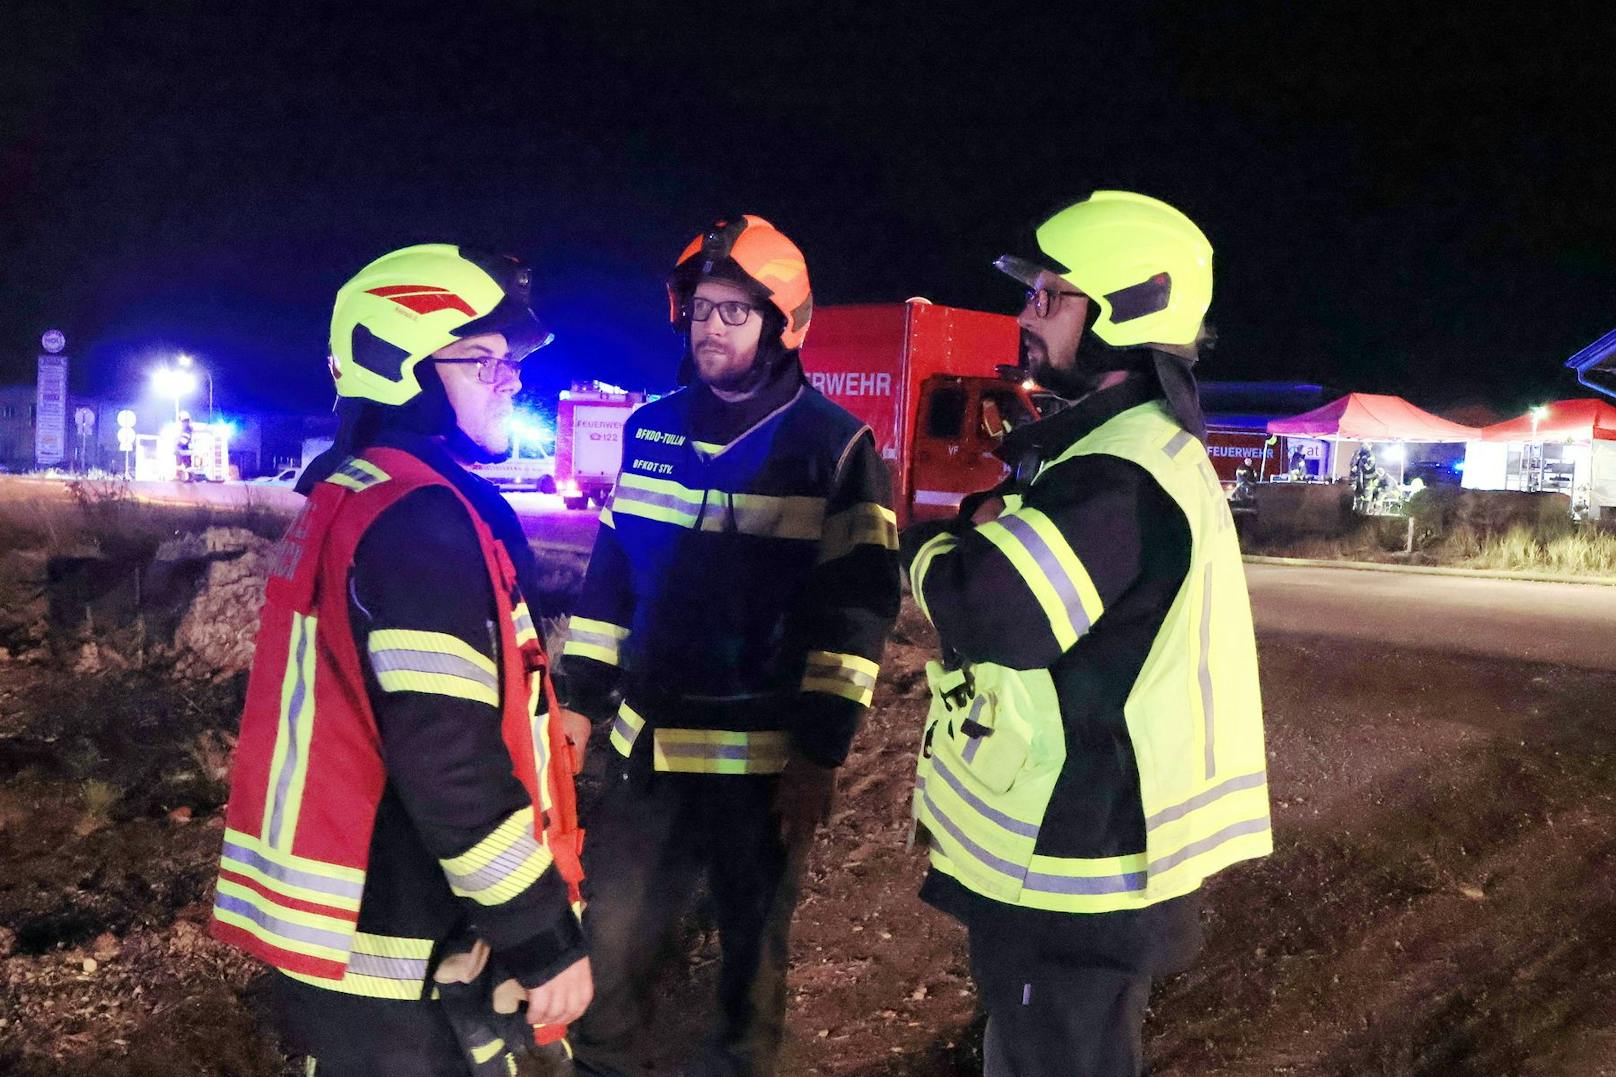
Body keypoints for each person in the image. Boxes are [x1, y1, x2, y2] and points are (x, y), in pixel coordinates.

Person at [900, 191, 1272, 1076]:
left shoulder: (1118, 473)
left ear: (1120, 315)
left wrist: (931, 543)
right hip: (1090, 852)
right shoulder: (1126, 450)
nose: (1027, 315)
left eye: (1050, 297)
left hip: (1077, 867)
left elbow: (990, 608)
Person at [210, 244, 591, 1076]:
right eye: (484, 362)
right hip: (403, 948)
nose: (512, 381)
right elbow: (449, 759)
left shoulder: (353, 491)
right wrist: (543, 933)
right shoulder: (419, 524)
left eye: (509, 362)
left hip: (352, 933)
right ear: (404, 369)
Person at [560, 215, 901, 1077]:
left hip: (763, 767)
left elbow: (856, 613)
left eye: (734, 313)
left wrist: (820, 755)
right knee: (610, 940)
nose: (710, 327)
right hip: (650, 751)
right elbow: (611, 577)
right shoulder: (651, 428)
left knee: (749, 958)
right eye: (701, 308)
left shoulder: (836, 448)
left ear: (783, 325)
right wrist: (576, 699)